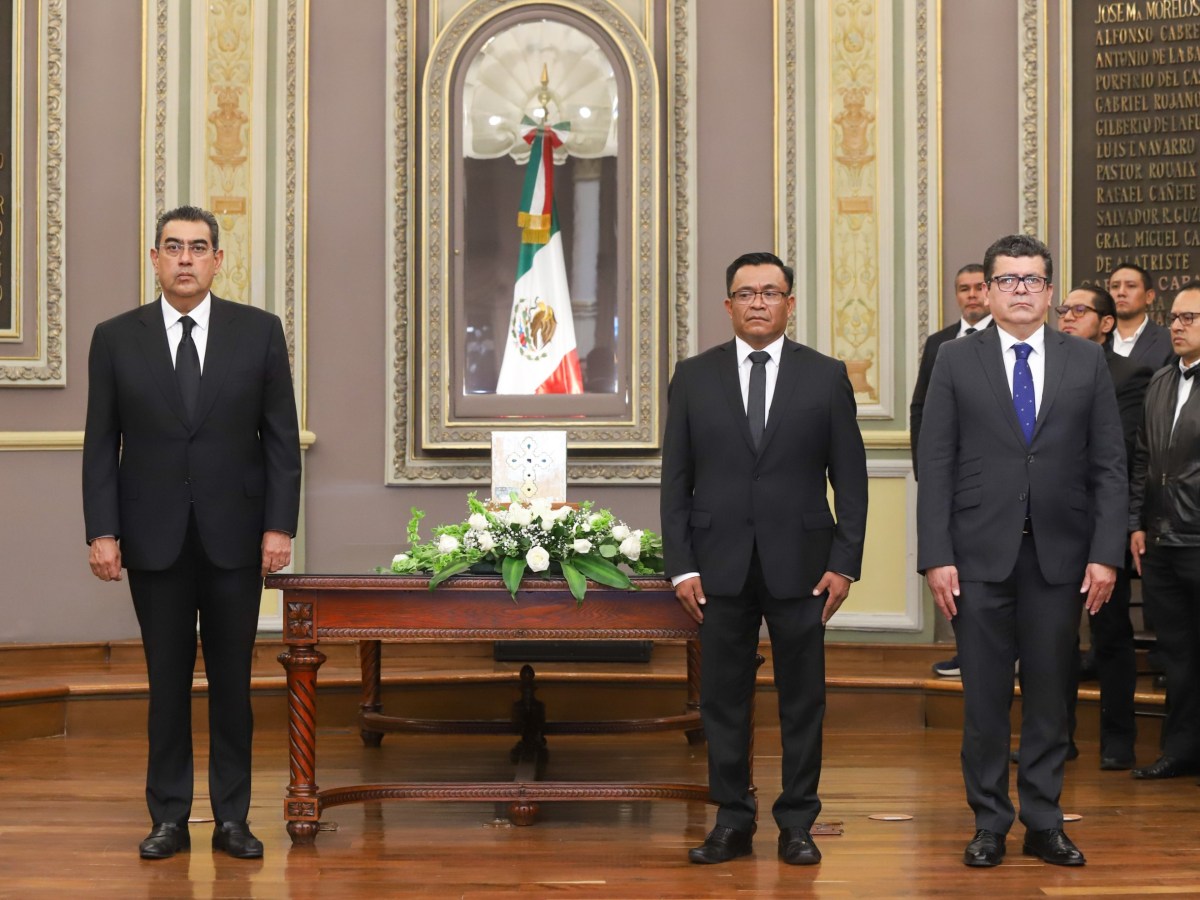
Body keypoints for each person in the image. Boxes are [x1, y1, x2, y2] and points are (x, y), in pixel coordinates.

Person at [83, 206, 302, 860]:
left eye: (198, 247)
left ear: (217, 260)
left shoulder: (259, 333)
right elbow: (100, 445)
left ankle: (233, 818)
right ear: (154, 258)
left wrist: (278, 528)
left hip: (237, 539)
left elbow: (281, 443)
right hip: (152, 541)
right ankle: (169, 818)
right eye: (173, 247)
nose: (185, 258)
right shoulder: (117, 337)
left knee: (234, 683)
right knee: (167, 683)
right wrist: (102, 532)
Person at [917, 234, 1126, 868]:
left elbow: (1110, 465)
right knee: (983, 702)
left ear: (1050, 289)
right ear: (988, 288)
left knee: (1049, 697)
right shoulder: (956, 359)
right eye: (1008, 280)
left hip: (1061, 557)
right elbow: (937, 462)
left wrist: (1105, 552)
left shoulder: (1085, 361)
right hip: (977, 557)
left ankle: (1043, 820)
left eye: (1032, 280)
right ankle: (988, 822)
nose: (1021, 291)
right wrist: (936, 555)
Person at [661, 251, 868, 867]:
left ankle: (798, 823)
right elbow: (676, 480)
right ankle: (731, 819)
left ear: (789, 303)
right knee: (723, 699)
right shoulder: (694, 376)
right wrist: (682, 565)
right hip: (717, 566)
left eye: (770, 292)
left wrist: (845, 562)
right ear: (728, 305)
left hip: (804, 567)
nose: (758, 302)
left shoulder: (826, 376)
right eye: (746, 293)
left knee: (802, 698)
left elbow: (850, 481)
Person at [1056, 285, 1152, 770]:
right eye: (1064, 310)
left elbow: (1121, 456)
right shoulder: (1044, 366)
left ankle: (1118, 739)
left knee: (1110, 634)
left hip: (1101, 523)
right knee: (1054, 638)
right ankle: (1057, 738)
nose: (1067, 317)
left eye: (1080, 310)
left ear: (1107, 323)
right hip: (1052, 523)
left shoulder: (1130, 376)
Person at [1128, 283, 1200, 782]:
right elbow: (1141, 462)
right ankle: (1181, 751)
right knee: (1176, 654)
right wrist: (1135, 523)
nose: (1176, 326)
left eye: (1189, 318)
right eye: (1173, 318)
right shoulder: (1159, 382)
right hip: (1161, 540)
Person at [910, 262, 992, 678]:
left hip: (994, 482)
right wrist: (927, 472)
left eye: (979, 287)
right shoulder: (940, 343)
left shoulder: (1006, 339)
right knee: (955, 575)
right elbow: (920, 409)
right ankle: (967, 654)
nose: (972, 295)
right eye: (964, 288)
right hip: (950, 484)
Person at [1109, 262, 1174, 369]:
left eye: (1130, 286)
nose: (1121, 292)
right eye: (1115, 286)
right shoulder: (1096, 339)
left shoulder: (1169, 342)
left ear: (1149, 296)